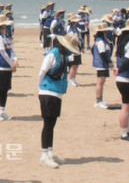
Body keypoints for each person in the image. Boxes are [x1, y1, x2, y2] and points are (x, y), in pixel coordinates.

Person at [38, 32, 80, 168]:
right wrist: (41, 87)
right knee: (48, 124)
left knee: (52, 124)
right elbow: (42, 71)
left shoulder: (64, 55)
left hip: (57, 93)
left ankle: (50, 152)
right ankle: (44, 155)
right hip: (47, 91)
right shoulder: (53, 54)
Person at [0, 15, 18, 121]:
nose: (5, 28)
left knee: (5, 90)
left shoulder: (6, 37)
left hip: (7, 68)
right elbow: (2, 52)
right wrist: (11, 63)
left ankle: (2, 110)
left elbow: (11, 50)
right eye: (4, 26)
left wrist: (15, 59)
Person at [92, 23, 114, 108]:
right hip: (101, 64)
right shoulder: (100, 41)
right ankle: (98, 100)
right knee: (100, 82)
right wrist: (109, 62)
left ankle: (100, 99)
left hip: (101, 63)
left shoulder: (102, 40)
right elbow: (102, 53)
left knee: (101, 81)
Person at [66, 13, 82, 87]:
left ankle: (73, 79)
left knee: (76, 65)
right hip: (73, 49)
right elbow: (72, 39)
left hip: (77, 49)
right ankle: (71, 80)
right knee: (74, 65)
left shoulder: (75, 29)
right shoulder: (71, 29)